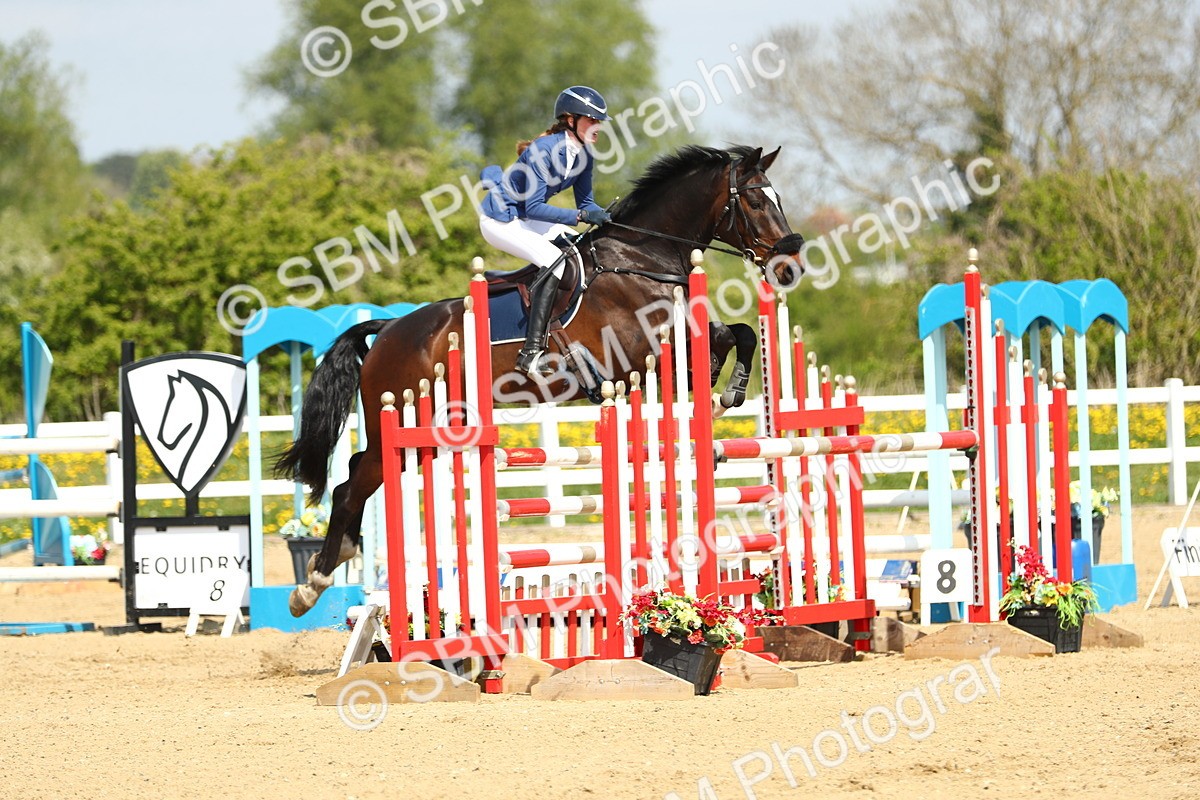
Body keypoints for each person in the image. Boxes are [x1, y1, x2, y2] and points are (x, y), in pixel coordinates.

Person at [479, 85, 613, 379]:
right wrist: (579, 216)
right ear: (570, 120)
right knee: (557, 261)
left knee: (573, 245)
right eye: (591, 120)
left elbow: (587, 203)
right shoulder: (544, 151)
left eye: (598, 121)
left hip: (525, 216)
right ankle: (530, 352)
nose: (597, 127)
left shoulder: (585, 157)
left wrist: (608, 216)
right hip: (499, 219)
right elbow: (537, 207)